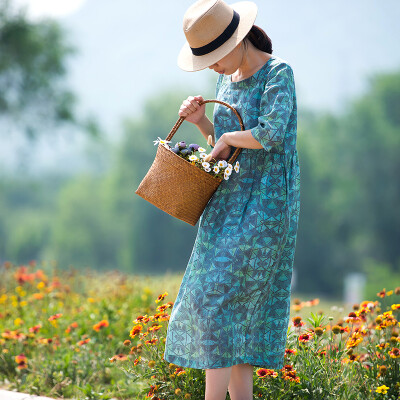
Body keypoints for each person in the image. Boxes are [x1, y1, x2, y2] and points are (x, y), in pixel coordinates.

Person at [163, 0, 301, 399]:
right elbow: (223, 147)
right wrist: (203, 124)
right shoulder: (226, 81)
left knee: (217, 304)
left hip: (266, 207)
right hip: (225, 206)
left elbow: (271, 133)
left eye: (214, 57)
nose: (212, 67)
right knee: (232, 312)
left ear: (238, 40)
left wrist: (223, 138)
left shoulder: (279, 73)